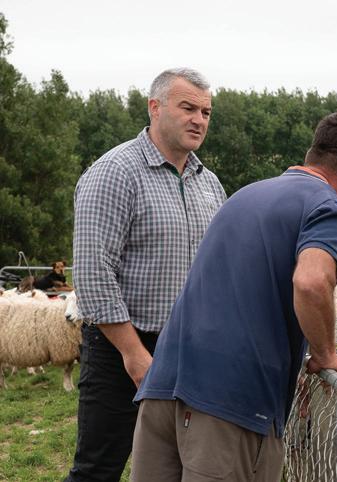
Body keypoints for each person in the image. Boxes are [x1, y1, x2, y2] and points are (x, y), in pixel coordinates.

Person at [130, 109, 337, 482]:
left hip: (164, 385)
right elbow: (311, 282)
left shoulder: (246, 195)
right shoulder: (330, 208)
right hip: (230, 405)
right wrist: (326, 353)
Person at [64, 68, 226, 482]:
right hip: (123, 348)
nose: (199, 120)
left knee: (176, 467)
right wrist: (133, 354)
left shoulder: (209, 184)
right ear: (155, 107)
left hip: (191, 352)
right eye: (188, 108)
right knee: (99, 469)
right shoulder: (114, 172)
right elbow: (93, 272)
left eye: (206, 112)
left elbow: (218, 270)